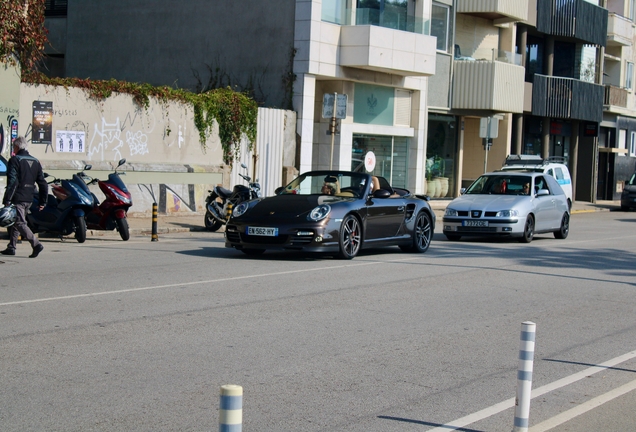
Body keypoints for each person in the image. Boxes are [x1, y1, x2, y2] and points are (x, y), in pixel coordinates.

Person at [1, 137, 48, 258]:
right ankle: (11, 247)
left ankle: (36, 244)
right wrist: (43, 201)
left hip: (18, 196)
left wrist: (7, 199)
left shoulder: (15, 160)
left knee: (20, 222)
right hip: (29, 198)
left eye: (13, 147)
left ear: (17, 147)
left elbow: (12, 182)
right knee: (17, 221)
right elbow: (42, 183)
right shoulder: (36, 161)